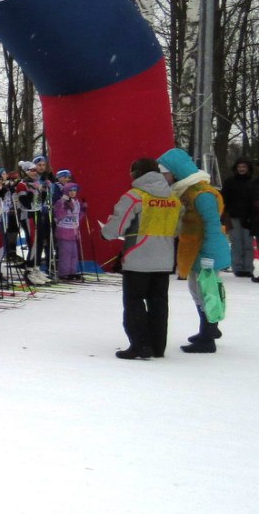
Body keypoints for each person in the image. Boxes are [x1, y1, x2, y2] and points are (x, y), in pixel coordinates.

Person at [101, 158, 178, 359]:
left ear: (136, 174)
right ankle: (158, 346)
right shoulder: (173, 197)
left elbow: (118, 226)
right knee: (159, 303)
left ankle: (140, 345)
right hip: (164, 258)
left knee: (134, 301)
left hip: (138, 257)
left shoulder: (135, 196)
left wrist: (106, 233)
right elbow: (179, 227)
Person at [158, 148, 231, 353]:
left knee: (205, 291)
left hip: (205, 251)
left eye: (165, 173)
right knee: (197, 289)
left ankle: (208, 337)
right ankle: (209, 329)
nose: (164, 178)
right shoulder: (186, 191)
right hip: (195, 249)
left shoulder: (201, 194)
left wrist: (209, 255)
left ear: (175, 172)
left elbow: (211, 226)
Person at [221, 158, 255, 278]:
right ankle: (238, 268)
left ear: (248, 168)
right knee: (236, 243)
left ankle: (248, 268)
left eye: (244, 167)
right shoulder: (229, 182)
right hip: (233, 216)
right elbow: (223, 198)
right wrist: (225, 213)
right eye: (239, 167)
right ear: (236, 168)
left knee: (248, 244)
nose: (241, 169)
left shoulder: (253, 182)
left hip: (249, 217)